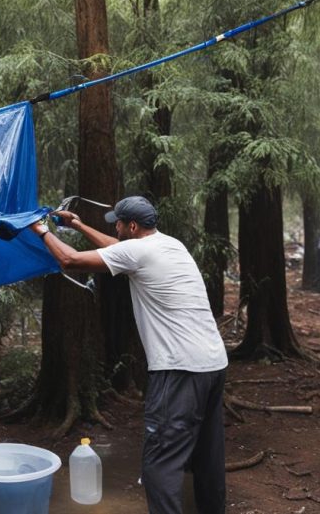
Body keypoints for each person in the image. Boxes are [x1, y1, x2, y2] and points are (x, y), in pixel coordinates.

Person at [28, 195, 227, 514]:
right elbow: (116, 248)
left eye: (118, 224)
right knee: (207, 459)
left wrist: (38, 229)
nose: (116, 228)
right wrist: (79, 226)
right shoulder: (168, 244)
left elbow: (70, 260)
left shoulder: (138, 250)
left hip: (179, 369)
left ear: (131, 226)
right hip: (213, 365)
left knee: (160, 465)